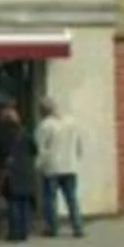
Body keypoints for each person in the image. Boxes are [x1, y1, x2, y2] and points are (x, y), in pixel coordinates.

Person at [36, 98, 88, 238]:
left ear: (42, 111)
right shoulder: (71, 122)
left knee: (50, 199)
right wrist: (77, 158)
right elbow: (79, 144)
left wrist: (38, 165)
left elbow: (42, 149)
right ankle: (77, 226)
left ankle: (52, 228)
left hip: (52, 167)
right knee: (71, 198)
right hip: (70, 165)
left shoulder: (45, 126)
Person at [0, 106, 39, 244]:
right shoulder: (25, 132)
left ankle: (14, 232)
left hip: (11, 171)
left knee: (13, 202)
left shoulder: (3, 134)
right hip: (26, 170)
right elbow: (35, 149)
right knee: (24, 202)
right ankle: (24, 231)